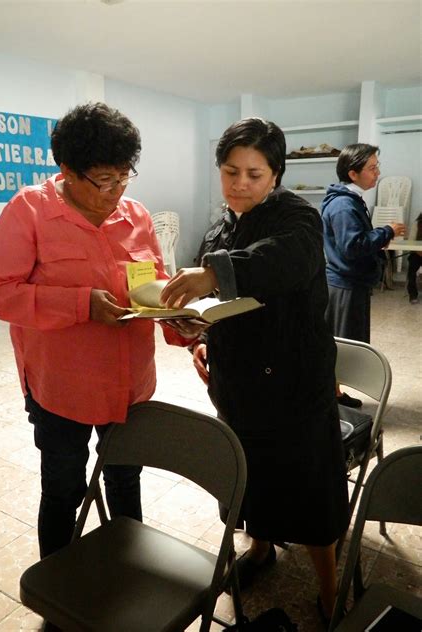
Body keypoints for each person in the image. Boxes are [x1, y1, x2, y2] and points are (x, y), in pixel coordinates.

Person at [160, 117, 350, 623]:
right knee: (251, 477)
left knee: (310, 491)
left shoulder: (299, 219)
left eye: (254, 174)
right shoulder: (221, 223)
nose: (240, 183)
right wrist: (203, 339)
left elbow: (280, 262)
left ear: (276, 176)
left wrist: (213, 273)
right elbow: (218, 307)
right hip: (240, 384)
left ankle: (331, 592)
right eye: (230, 171)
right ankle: (261, 549)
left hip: (294, 382)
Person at [0, 102, 181, 565]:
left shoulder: (136, 215)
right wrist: (80, 304)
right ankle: (56, 584)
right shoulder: (28, 211)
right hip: (61, 389)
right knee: (64, 488)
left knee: (126, 480)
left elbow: (152, 282)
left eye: (124, 177)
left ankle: (130, 574)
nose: (115, 192)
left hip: (131, 384)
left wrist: (180, 316)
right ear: (67, 170)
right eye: (103, 181)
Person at [321, 144, 405, 408]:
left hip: (345, 282)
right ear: (353, 173)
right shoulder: (345, 205)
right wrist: (386, 232)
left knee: (340, 344)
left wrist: (377, 238)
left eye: (376, 166)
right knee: (344, 347)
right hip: (346, 286)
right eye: (372, 167)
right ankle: (329, 398)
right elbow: (352, 246)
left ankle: (331, 394)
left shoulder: (348, 200)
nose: (377, 172)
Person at [407, 212, 422, 303]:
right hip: (417, 253)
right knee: (412, 270)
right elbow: (411, 241)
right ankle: (413, 294)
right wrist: (419, 252)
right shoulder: (417, 224)